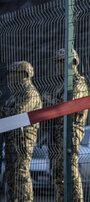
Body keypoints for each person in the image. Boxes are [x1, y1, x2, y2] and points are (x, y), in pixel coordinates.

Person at [43, 49, 89, 202]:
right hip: (56, 133)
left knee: (70, 171)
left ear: (73, 62)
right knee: (57, 174)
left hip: (71, 131)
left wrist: (49, 102)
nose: (60, 65)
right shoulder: (60, 86)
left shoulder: (78, 83)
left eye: (63, 61)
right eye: (58, 62)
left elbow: (67, 106)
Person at [0, 61, 42, 201]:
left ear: (24, 74)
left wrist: (5, 112)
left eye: (14, 73)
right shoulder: (16, 94)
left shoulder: (30, 93)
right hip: (12, 139)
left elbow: (17, 112)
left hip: (23, 140)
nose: (11, 77)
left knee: (21, 174)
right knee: (11, 174)